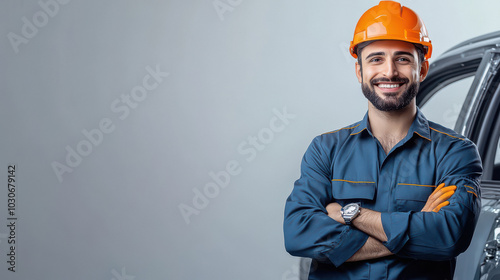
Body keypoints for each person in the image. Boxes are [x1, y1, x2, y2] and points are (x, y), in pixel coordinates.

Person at [283, 1, 483, 279]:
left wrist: (350, 214)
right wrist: (413, 233)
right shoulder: (325, 149)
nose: (389, 72)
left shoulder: (455, 152)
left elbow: (447, 237)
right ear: (359, 71)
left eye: (403, 58)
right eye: (376, 59)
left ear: (422, 69)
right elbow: (298, 233)